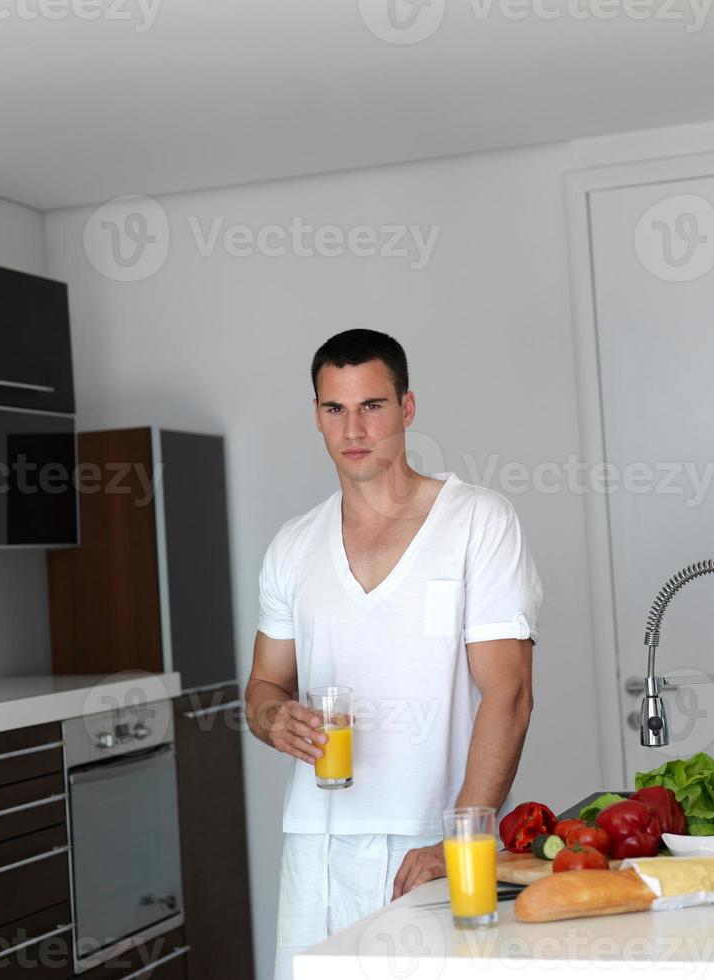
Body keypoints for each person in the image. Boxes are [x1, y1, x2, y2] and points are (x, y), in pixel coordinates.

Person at [244, 329, 543, 980]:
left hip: (426, 844)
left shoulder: (477, 523)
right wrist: (275, 720)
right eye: (334, 409)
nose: (353, 428)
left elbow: (509, 694)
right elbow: (264, 687)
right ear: (317, 417)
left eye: (371, 406)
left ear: (406, 409)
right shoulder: (292, 547)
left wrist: (459, 843)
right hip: (315, 846)